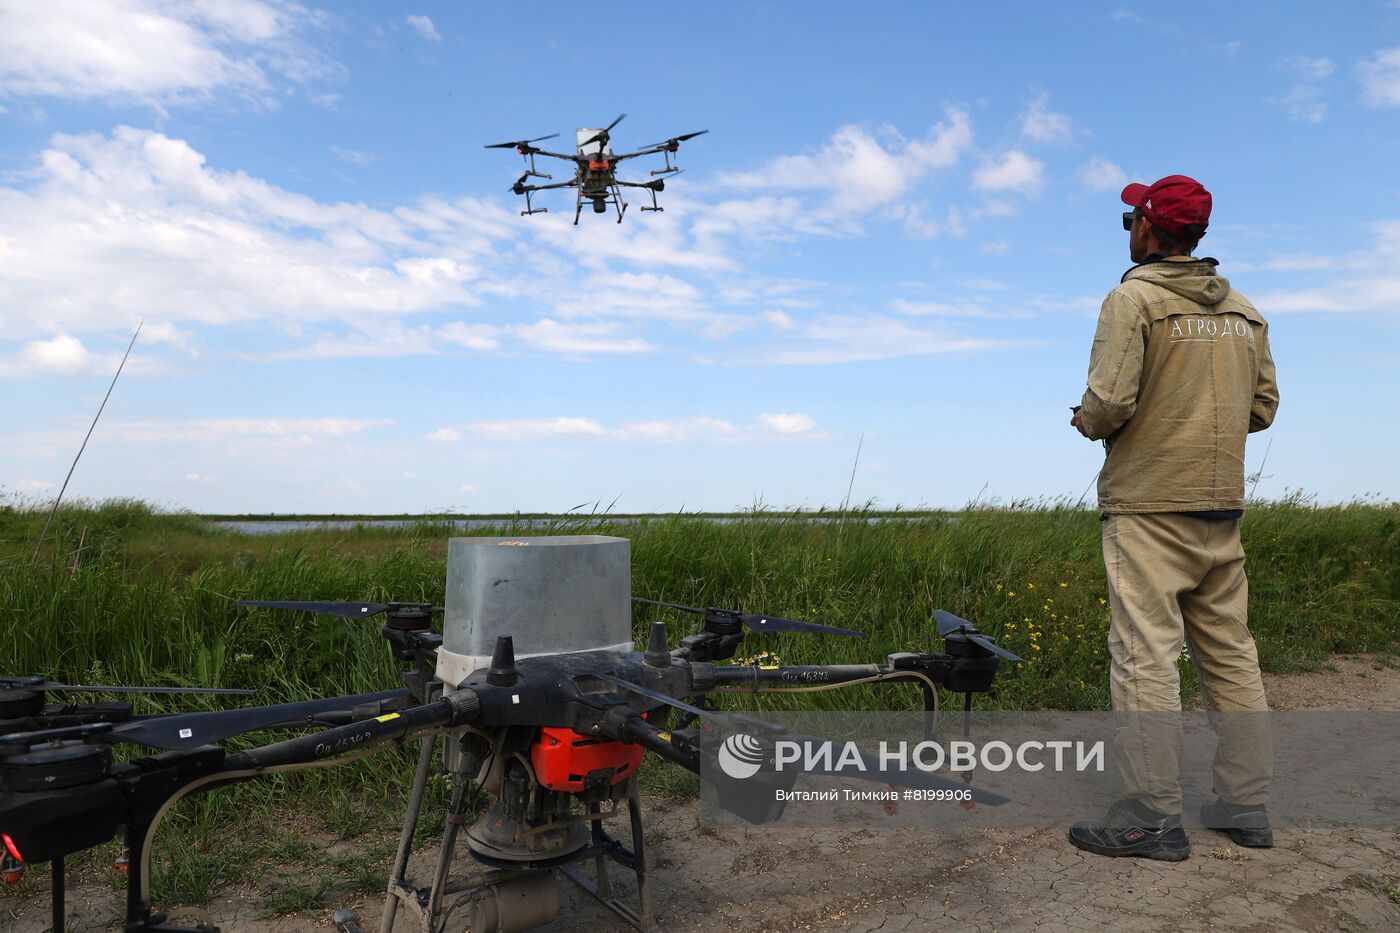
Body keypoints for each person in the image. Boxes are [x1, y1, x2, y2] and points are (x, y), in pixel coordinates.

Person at [1067, 175, 1280, 861]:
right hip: (1220, 504)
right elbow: (1263, 407)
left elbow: (1108, 404)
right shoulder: (1245, 311)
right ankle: (1245, 804)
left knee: (1145, 655)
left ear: (1151, 229)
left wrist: (1086, 419)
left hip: (1148, 505)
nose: (1130, 228)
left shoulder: (1133, 299)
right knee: (1230, 652)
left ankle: (1150, 816)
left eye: (1132, 218)